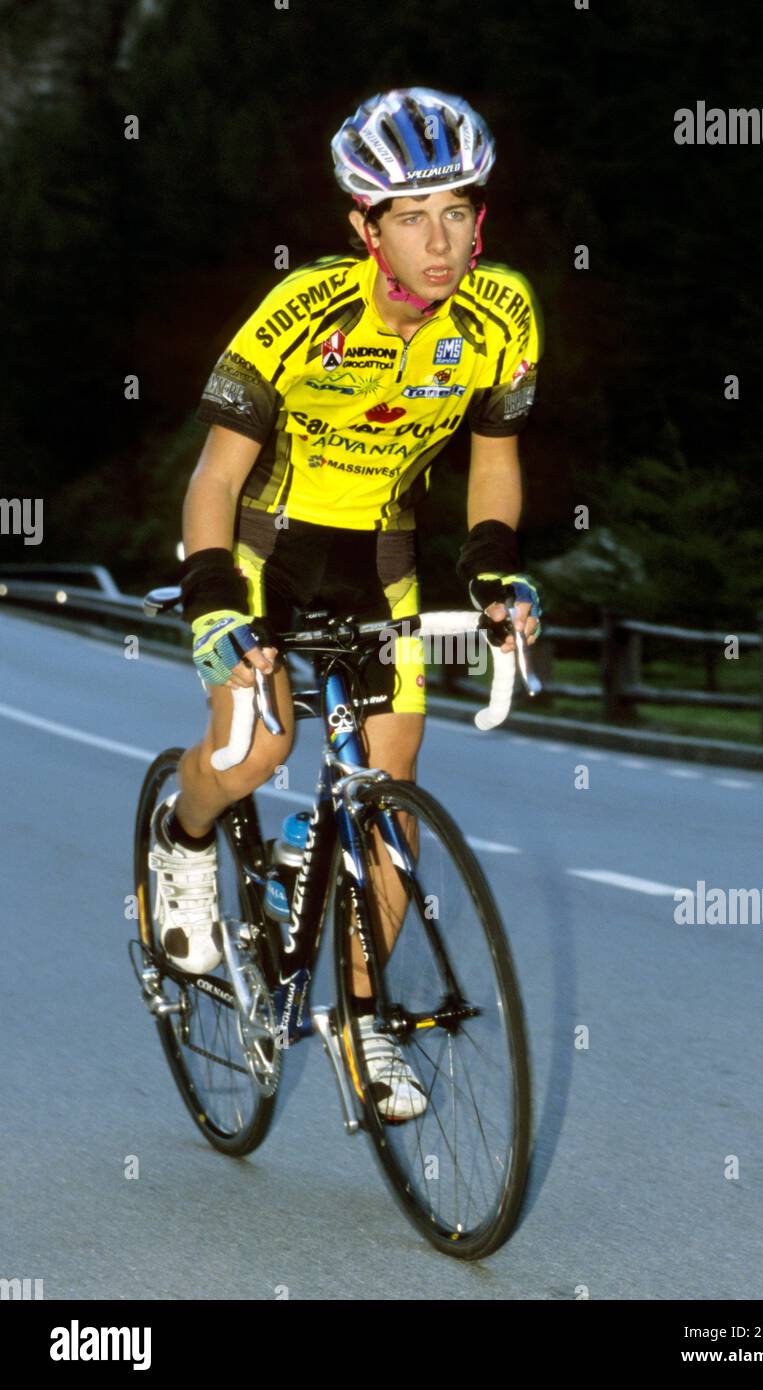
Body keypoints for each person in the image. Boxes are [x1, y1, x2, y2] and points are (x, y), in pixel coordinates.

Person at [148, 87, 544, 1119]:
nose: (439, 239)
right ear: (363, 228)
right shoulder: (300, 312)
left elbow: (492, 464)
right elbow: (213, 479)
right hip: (263, 553)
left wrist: (495, 573)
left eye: (457, 211)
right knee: (254, 755)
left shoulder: (502, 312)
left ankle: (362, 1023)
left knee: (393, 797)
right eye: (410, 217)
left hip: (386, 560)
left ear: (481, 219)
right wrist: (207, 599)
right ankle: (183, 845)